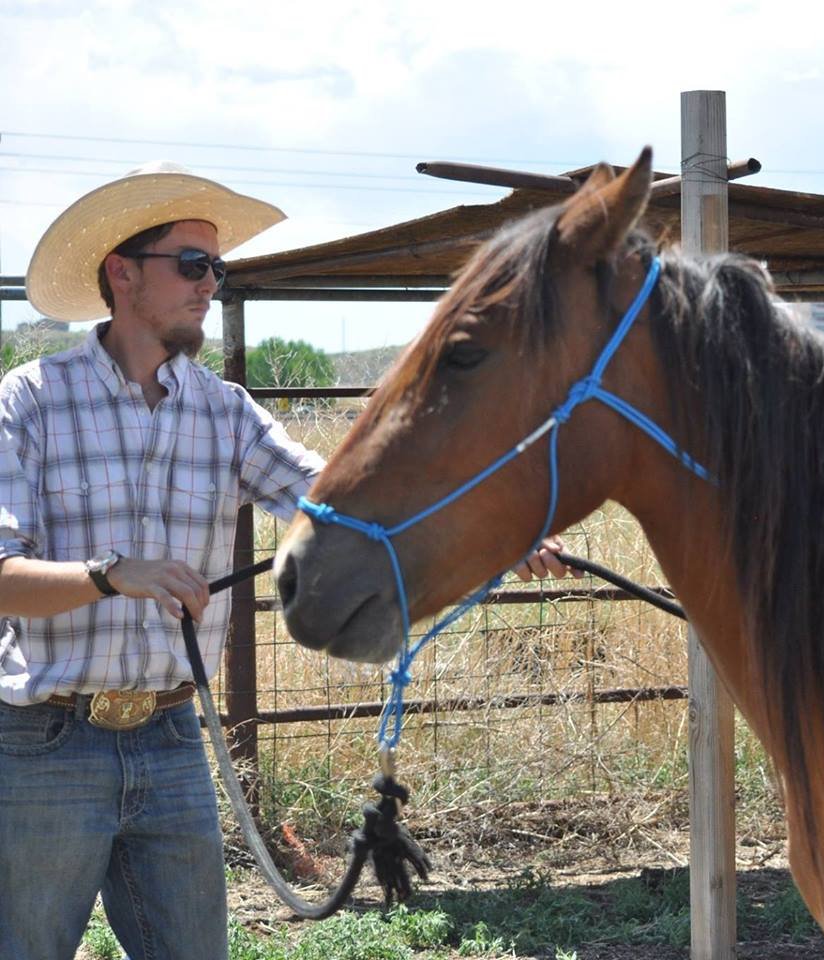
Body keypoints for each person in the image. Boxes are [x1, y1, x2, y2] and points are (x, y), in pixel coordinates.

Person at [0, 162, 577, 960]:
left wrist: (503, 535)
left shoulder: (224, 412)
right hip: (45, 745)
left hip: (171, 740)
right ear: (122, 273)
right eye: (194, 265)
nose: (211, 286)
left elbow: (339, 505)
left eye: (219, 269)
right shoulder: (29, 400)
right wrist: (111, 574)